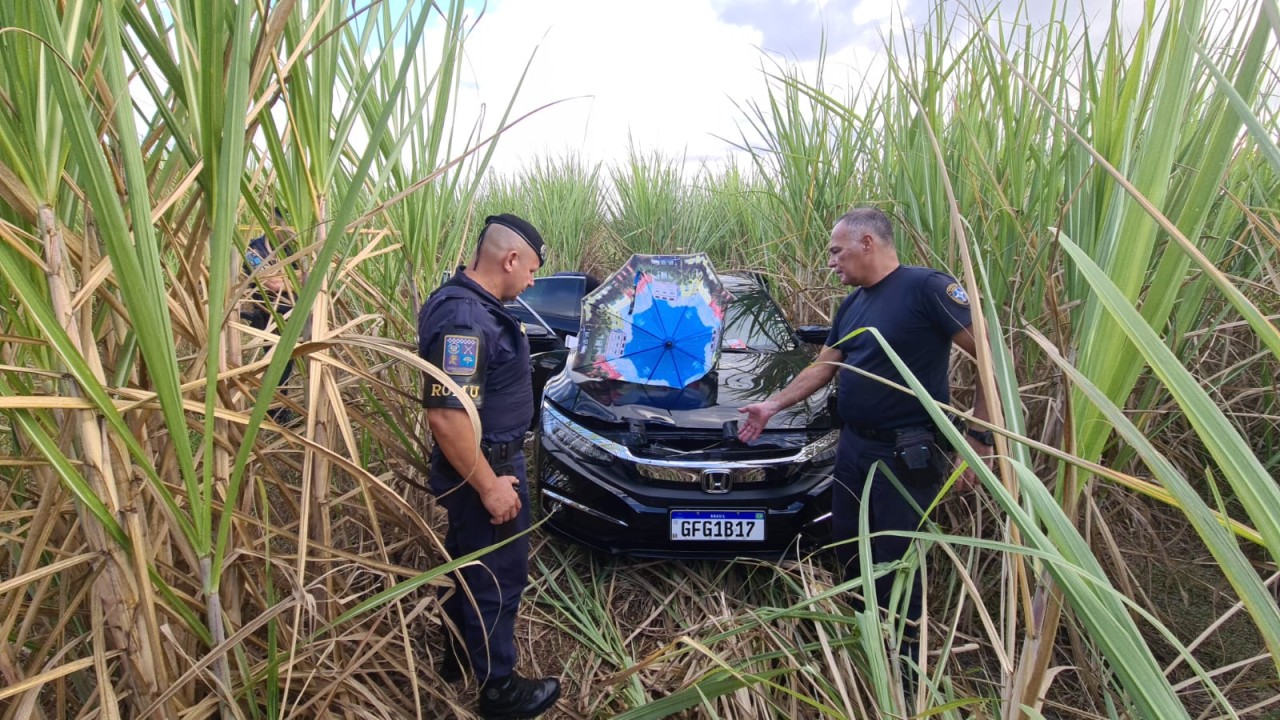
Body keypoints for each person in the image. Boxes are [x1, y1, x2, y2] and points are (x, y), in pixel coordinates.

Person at [737, 207, 993, 668]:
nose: (831, 261)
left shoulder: (927, 288)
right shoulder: (853, 305)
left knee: (895, 557)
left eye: (837, 251)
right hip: (853, 447)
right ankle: (866, 644)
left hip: (905, 452)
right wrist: (773, 404)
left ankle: (906, 669)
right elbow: (824, 366)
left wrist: (979, 440)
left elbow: (992, 358)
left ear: (868, 243)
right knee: (849, 544)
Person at [417, 214, 561, 719]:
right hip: (486, 471)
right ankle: (500, 690)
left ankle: (458, 656)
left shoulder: (475, 308)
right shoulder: (466, 319)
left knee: (469, 567)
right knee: (498, 578)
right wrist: (491, 486)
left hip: (485, 466)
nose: (533, 281)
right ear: (511, 259)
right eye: (533, 270)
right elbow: (446, 415)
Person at [242, 208, 301, 424]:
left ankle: (300, 408)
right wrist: (297, 278)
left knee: (306, 362)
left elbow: (313, 274)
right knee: (279, 367)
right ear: (274, 224)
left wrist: (286, 278)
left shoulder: (293, 249)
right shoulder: (253, 251)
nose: (289, 231)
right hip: (269, 318)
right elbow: (272, 283)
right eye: (284, 225)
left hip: (299, 314)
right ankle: (277, 412)